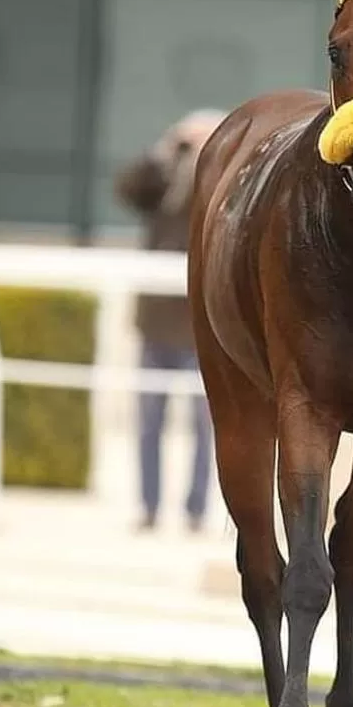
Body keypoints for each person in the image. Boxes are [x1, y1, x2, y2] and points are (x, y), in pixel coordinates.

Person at [114, 109, 226, 533]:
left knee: (204, 425)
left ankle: (196, 510)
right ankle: (149, 507)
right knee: (148, 421)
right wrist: (165, 151)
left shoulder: (221, 179)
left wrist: (212, 152)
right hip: (156, 324)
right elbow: (128, 190)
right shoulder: (163, 178)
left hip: (203, 326)